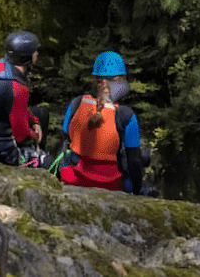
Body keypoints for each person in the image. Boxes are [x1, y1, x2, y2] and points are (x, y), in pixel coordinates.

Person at [59, 51, 143, 194]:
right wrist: (137, 192)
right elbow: (134, 161)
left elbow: (66, 136)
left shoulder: (76, 103)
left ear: (95, 80)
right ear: (120, 82)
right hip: (111, 185)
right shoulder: (126, 115)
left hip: (73, 179)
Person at [0, 31, 49, 167]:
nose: (37, 54)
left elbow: (15, 107)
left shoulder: (2, 68)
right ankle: (37, 159)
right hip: (2, 149)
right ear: (26, 56)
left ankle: (37, 152)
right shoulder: (16, 88)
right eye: (34, 51)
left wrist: (34, 121)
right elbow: (22, 135)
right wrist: (35, 136)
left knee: (40, 114)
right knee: (50, 163)